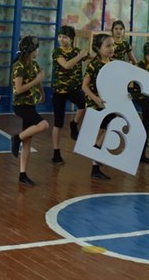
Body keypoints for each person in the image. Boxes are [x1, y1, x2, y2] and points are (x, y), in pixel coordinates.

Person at [9, 36, 49, 186]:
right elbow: (18, 89)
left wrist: (42, 94)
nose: (38, 51)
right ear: (32, 50)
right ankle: (16, 138)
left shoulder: (34, 64)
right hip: (21, 105)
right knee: (44, 125)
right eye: (37, 49)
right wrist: (37, 80)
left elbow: (39, 81)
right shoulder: (19, 66)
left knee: (28, 140)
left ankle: (22, 174)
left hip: (31, 104)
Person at [51, 25, 89, 164]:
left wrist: (95, 53)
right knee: (58, 123)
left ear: (71, 39)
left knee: (84, 105)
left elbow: (91, 56)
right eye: (60, 36)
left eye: (65, 37)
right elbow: (66, 65)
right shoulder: (57, 52)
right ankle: (56, 152)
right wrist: (80, 56)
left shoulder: (77, 51)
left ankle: (74, 123)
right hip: (59, 91)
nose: (61, 39)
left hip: (74, 89)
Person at [82, 33, 117, 180]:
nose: (111, 48)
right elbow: (84, 86)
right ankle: (95, 166)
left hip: (108, 103)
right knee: (103, 130)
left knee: (111, 126)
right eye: (107, 46)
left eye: (112, 45)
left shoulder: (113, 64)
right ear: (98, 48)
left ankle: (96, 152)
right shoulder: (94, 64)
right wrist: (96, 99)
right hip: (96, 103)